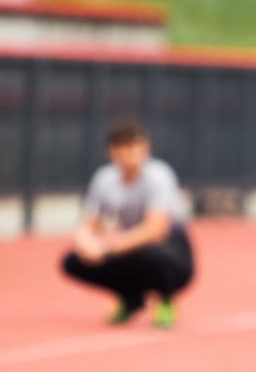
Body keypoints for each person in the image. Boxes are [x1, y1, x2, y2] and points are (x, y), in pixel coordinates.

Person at [61, 118, 193, 328]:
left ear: (145, 149)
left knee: (152, 256)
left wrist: (108, 246)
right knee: (73, 261)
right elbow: (89, 224)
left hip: (169, 249)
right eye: (121, 152)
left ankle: (166, 299)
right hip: (128, 243)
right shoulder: (103, 179)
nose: (127, 159)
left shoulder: (159, 175)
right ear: (111, 152)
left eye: (132, 151)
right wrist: (86, 244)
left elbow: (155, 230)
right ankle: (131, 296)